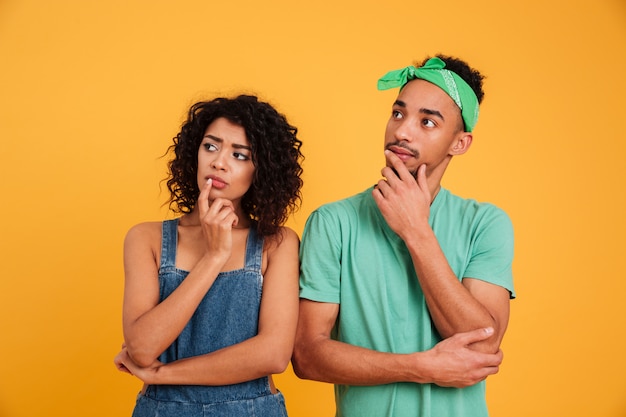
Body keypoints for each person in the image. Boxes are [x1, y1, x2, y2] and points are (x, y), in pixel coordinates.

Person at [292, 54, 515, 417]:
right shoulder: (333, 222)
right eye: (398, 113)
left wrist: (417, 232)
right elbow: (307, 355)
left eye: (427, 121)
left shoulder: (485, 224)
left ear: (459, 143)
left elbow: (483, 347)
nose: (402, 131)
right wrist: (421, 366)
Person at [114, 94, 304, 417]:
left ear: (262, 169)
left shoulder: (278, 243)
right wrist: (214, 257)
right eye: (211, 147)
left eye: (240, 155)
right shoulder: (145, 239)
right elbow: (142, 348)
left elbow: (273, 355)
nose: (219, 162)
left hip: (254, 410)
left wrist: (164, 374)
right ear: (195, 153)